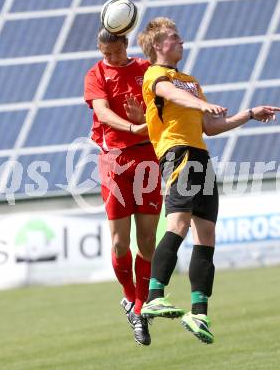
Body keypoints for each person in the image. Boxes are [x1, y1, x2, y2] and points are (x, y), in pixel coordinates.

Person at [137, 17, 280, 344]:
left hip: (200, 154)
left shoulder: (190, 80)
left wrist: (248, 113)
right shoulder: (156, 76)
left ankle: (199, 313)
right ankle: (154, 296)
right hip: (178, 153)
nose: (181, 41)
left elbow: (210, 127)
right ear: (158, 45)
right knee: (178, 223)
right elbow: (171, 95)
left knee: (207, 232)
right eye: (174, 37)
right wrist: (202, 103)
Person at [84, 27, 162, 346]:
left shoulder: (146, 70)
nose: (111, 59)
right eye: (106, 54)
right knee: (119, 243)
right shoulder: (96, 73)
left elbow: (163, 110)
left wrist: (147, 117)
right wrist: (133, 125)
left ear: (126, 45)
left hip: (147, 159)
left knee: (146, 240)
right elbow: (101, 111)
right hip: (114, 160)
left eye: (116, 53)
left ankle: (141, 308)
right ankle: (130, 298)